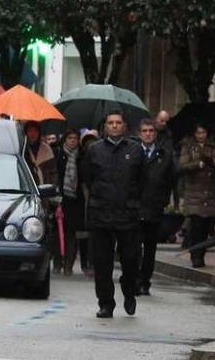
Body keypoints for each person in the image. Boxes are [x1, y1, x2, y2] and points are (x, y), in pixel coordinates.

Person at [81, 111, 145, 318]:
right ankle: (106, 303)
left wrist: (136, 204)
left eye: (118, 122)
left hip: (128, 214)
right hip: (101, 214)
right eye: (111, 123)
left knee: (130, 259)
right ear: (105, 127)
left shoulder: (135, 150)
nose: (115, 126)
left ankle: (129, 291)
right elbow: (87, 178)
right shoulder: (94, 150)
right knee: (102, 262)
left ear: (125, 126)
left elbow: (144, 180)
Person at [178, 122, 215, 268]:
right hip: (194, 192)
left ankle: (201, 253)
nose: (201, 136)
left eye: (203, 133)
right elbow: (183, 165)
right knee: (196, 225)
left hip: (210, 192)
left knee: (206, 227)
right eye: (198, 133)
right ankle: (196, 255)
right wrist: (197, 164)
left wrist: (214, 162)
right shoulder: (188, 146)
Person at [136, 119, 176, 295]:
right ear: (139, 134)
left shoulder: (164, 155)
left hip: (154, 208)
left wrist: (164, 200)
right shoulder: (133, 153)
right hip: (135, 208)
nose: (148, 134)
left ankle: (145, 280)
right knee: (133, 248)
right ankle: (134, 279)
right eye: (144, 131)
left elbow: (171, 180)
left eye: (151, 131)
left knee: (150, 248)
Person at [54, 129, 88, 276]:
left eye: (75, 138)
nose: (72, 141)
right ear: (65, 140)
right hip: (59, 199)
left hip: (76, 199)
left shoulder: (82, 155)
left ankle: (69, 264)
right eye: (70, 138)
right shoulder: (58, 154)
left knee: (72, 234)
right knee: (57, 233)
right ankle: (57, 262)